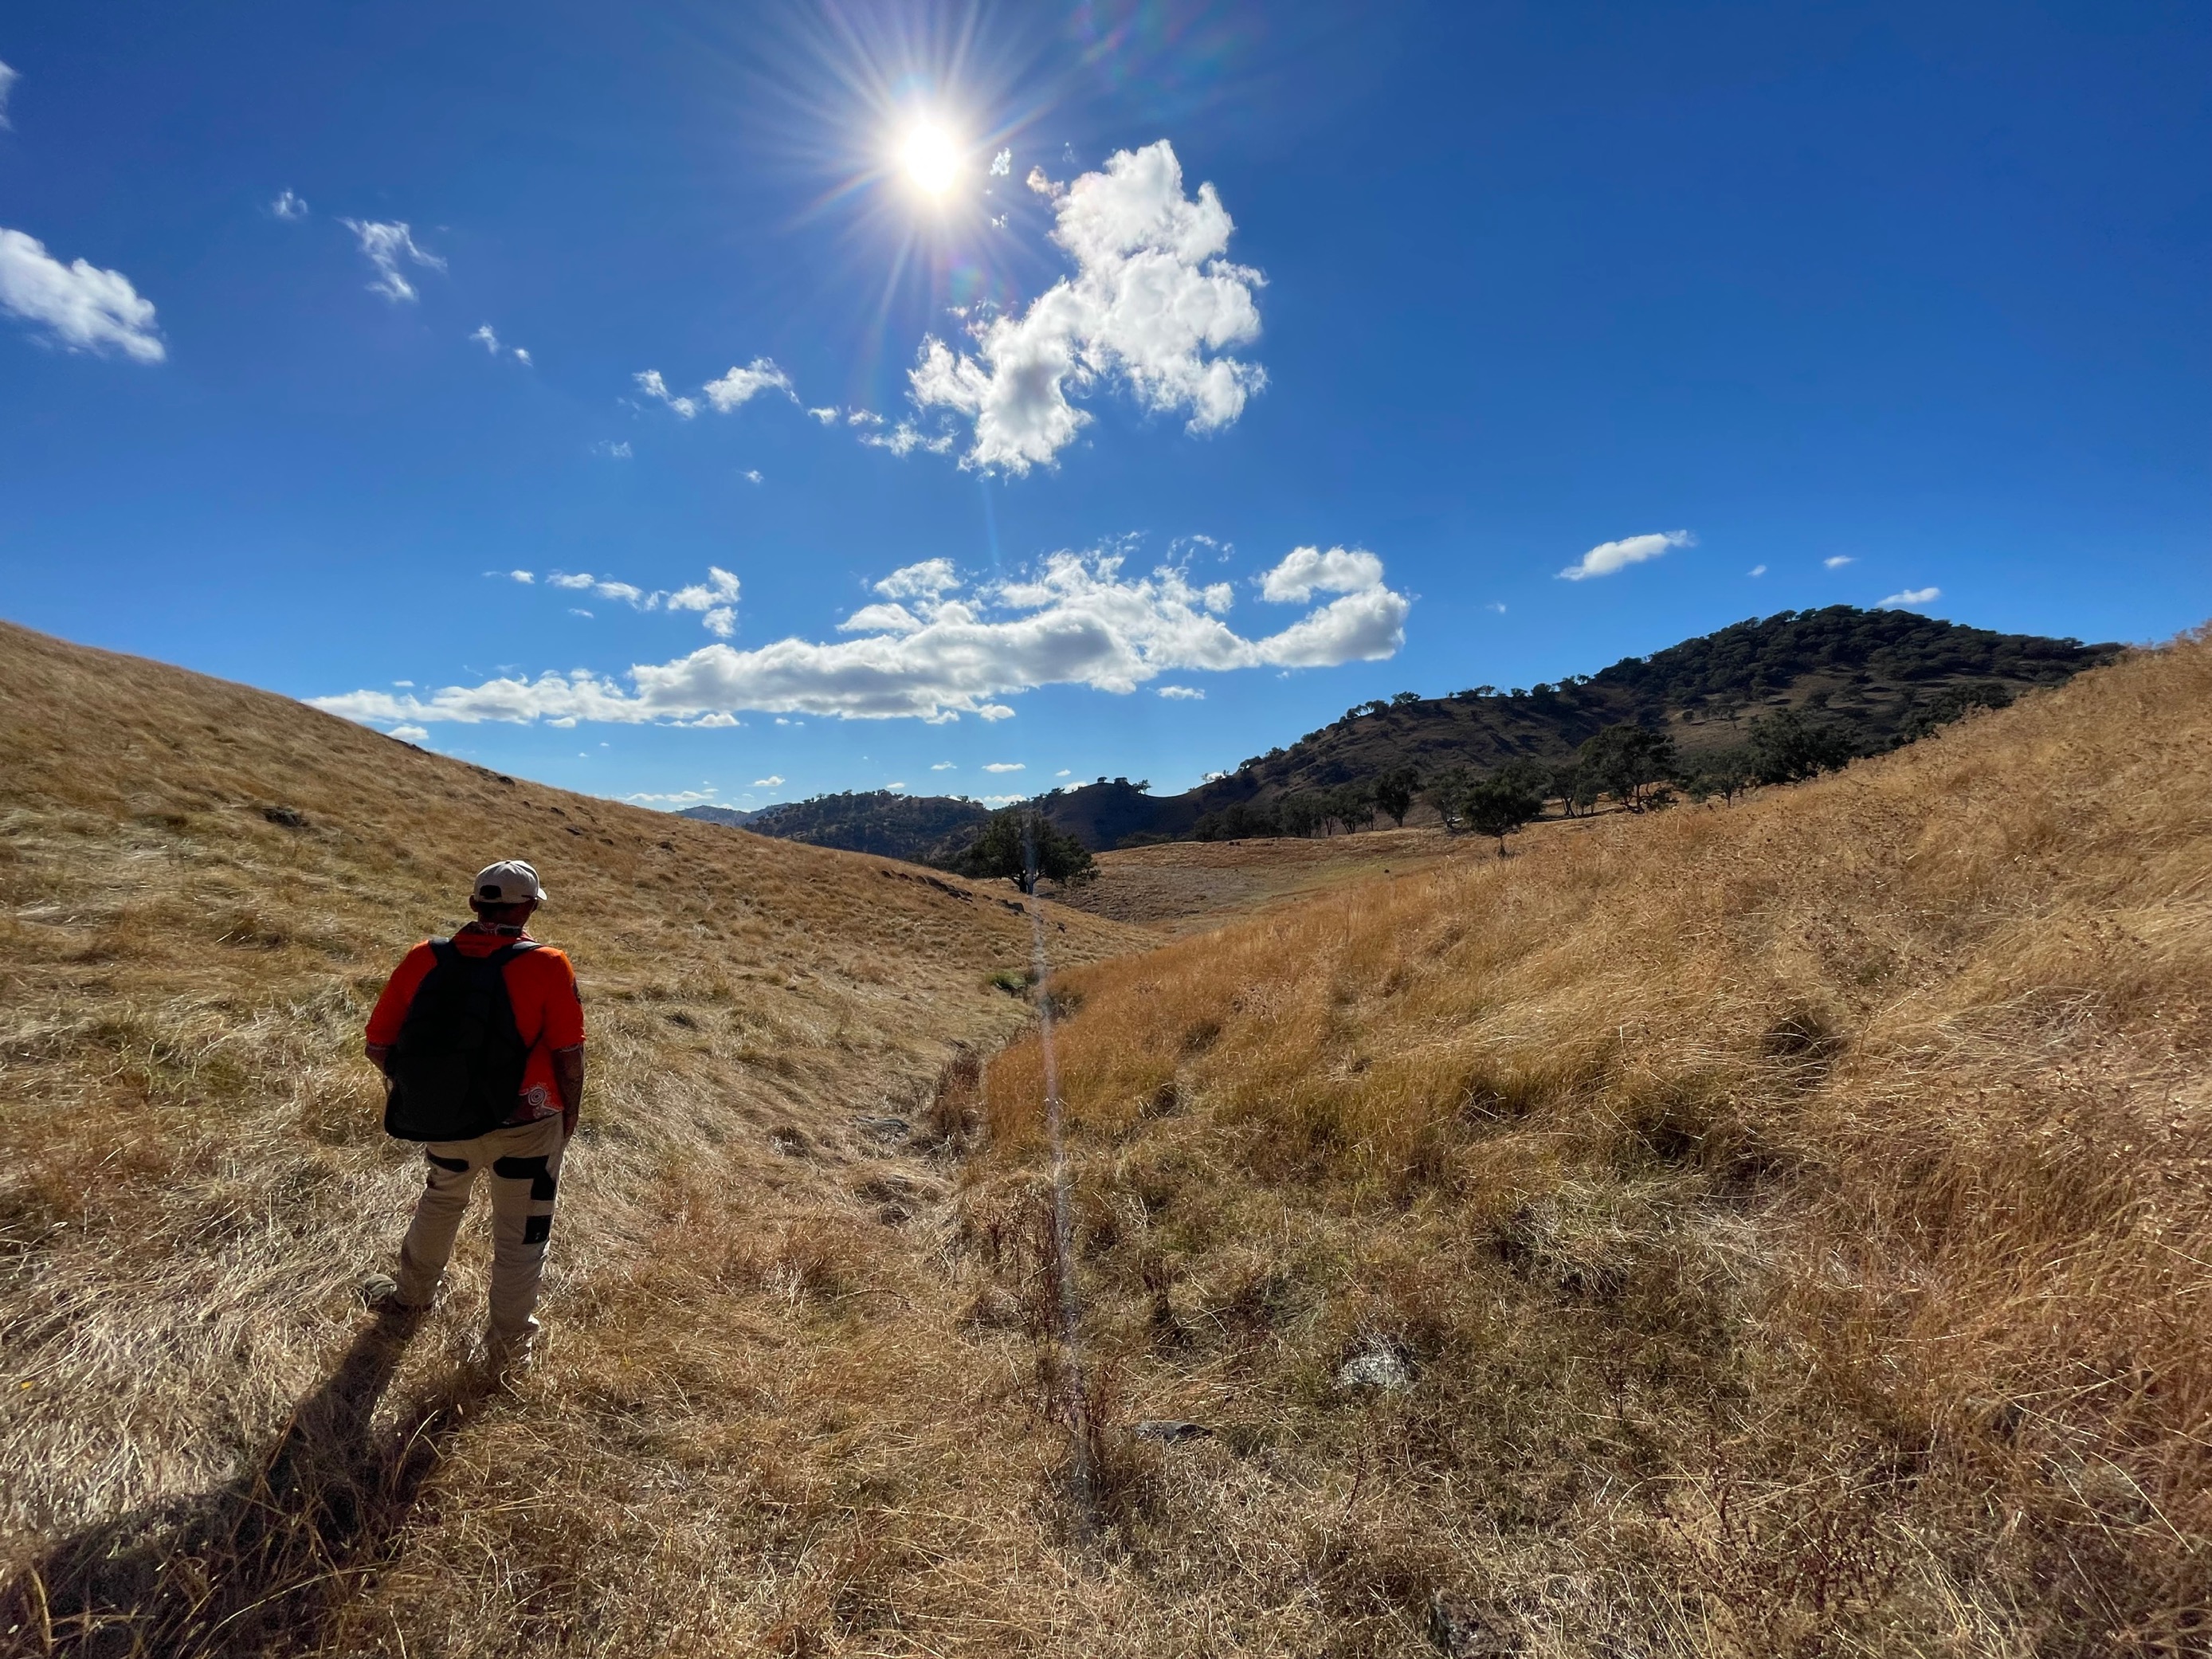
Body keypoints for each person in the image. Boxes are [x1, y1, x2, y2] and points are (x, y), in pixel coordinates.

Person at [359, 860, 585, 1373]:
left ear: (474, 904)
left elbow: (378, 1043)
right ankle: (508, 1349)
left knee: (441, 1198)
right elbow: (569, 1055)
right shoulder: (548, 963)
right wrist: (566, 1116)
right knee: (522, 1232)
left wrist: (427, 1091)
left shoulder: (424, 957)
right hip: (529, 1127)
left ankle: (411, 1298)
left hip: (449, 1120)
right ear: (527, 907)